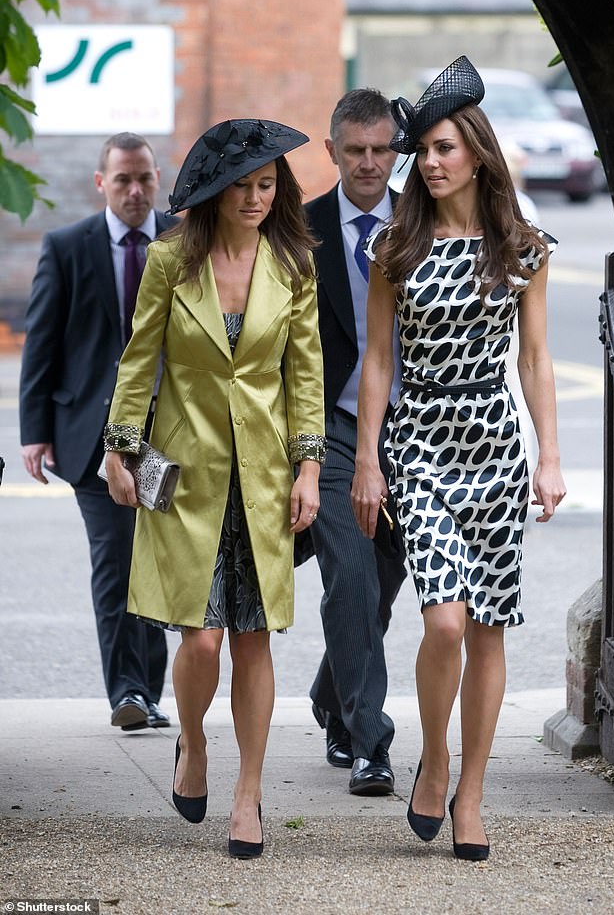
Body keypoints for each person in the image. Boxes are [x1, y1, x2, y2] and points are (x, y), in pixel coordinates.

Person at [351, 56, 566, 860]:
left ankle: (471, 792)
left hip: (496, 449)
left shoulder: (524, 248)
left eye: (444, 149)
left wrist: (549, 457)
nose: (430, 164)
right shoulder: (392, 246)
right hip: (421, 446)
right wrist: (368, 460)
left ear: (476, 151)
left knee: (487, 629)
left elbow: (537, 361)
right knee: (442, 620)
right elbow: (377, 360)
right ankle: (434, 758)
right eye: (424, 153)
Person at [103, 118, 325, 858]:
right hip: (187, 473)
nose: (258, 198)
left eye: (268, 185)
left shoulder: (292, 263)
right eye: (245, 187)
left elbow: (305, 375)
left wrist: (308, 469)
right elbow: (139, 361)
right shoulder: (171, 260)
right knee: (199, 641)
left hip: (263, 479)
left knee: (254, 641)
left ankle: (248, 796)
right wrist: (119, 450)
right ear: (216, 192)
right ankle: (192, 744)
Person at [20, 132, 174, 731]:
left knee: (157, 564)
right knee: (114, 562)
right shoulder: (67, 247)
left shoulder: (183, 241)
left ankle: (150, 692)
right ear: (100, 183)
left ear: (157, 177)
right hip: (89, 436)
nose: (135, 192)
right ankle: (127, 693)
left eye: (144, 179)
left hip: (165, 437)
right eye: (122, 181)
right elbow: (43, 341)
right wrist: (36, 430)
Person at [301, 89, 407, 796]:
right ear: (331, 149)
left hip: (413, 428)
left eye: (381, 149)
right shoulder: (298, 230)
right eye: (356, 150)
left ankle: (333, 696)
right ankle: (371, 743)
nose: (369, 164)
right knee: (351, 574)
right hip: (330, 428)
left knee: (388, 576)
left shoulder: (427, 219)